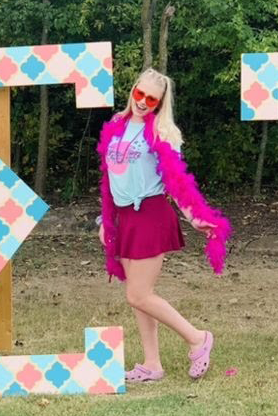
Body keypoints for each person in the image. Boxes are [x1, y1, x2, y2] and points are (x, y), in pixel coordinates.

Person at [95, 68, 231, 382]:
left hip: (151, 215)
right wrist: (107, 217)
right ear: (133, 91)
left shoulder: (161, 132)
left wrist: (194, 216)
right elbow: (110, 177)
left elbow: (176, 182)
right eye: (139, 94)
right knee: (137, 293)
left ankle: (197, 338)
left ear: (160, 102)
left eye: (151, 99)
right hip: (124, 216)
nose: (142, 102)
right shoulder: (117, 125)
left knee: (139, 294)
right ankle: (152, 363)